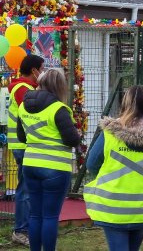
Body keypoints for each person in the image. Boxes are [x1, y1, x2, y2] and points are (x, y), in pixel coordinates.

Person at [84, 85, 143, 251]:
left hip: (113, 204)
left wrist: (108, 176)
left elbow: (92, 164)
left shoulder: (110, 133)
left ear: (124, 104)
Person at [17, 68, 80, 251]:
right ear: (60, 86)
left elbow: (22, 137)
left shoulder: (23, 107)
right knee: (51, 216)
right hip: (55, 167)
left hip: (30, 164)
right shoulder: (58, 109)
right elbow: (72, 140)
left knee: (35, 215)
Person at [7, 55, 44, 246]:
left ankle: (26, 228)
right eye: (41, 69)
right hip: (23, 145)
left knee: (28, 188)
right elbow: (32, 113)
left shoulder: (25, 87)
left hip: (25, 144)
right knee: (26, 189)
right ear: (33, 70)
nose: (43, 73)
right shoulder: (22, 89)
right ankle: (21, 230)